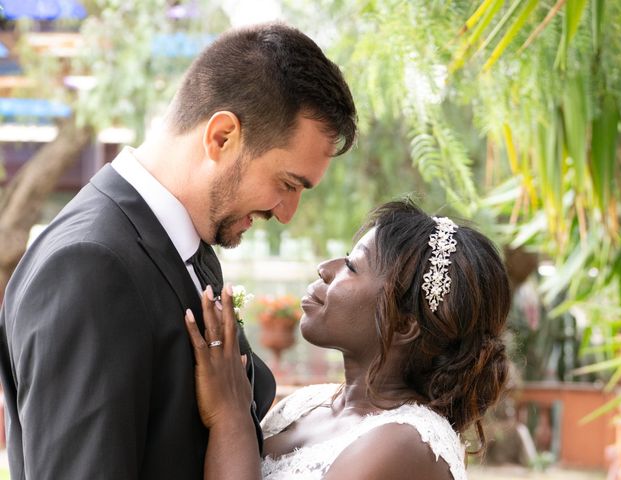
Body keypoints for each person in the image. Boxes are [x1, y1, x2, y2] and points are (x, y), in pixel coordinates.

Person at [0, 23, 356, 479]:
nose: (287, 213)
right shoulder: (89, 265)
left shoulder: (188, 250)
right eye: (287, 184)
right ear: (222, 137)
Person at [184, 199, 511, 479]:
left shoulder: (406, 443)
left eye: (352, 267)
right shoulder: (303, 406)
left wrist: (231, 417)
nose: (325, 268)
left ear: (403, 325)